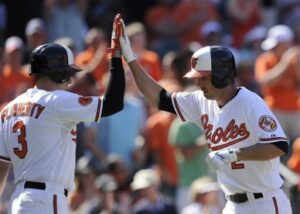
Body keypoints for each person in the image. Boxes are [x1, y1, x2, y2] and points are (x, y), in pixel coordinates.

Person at [115, 15, 292, 213]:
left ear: (221, 75)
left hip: (265, 203)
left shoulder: (250, 102)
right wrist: (130, 59)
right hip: (233, 204)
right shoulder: (201, 100)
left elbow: (278, 145)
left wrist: (234, 154)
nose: (198, 83)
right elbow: (159, 98)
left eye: (203, 78)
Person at [0, 15, 125, 213]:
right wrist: (116, 57)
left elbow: (2, 167)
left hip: (19, 200)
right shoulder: (57, 101)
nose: (69, 78)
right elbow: (113, 104)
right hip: (48, 199)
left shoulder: (8, 109)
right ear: (58, 72)